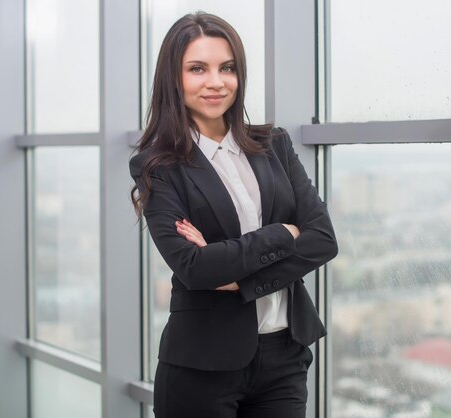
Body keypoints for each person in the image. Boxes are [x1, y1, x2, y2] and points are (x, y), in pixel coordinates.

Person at [130, 11, 338, 418]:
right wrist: (282, 233)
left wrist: (238, 279)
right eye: (197, 68)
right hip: (200, 366)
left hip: (285, 357)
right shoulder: (158, 166)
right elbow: (195, 268)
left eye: (227, 68)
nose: (216, 82)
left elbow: (323, 240)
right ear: (174, 79)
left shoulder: (274, 144)